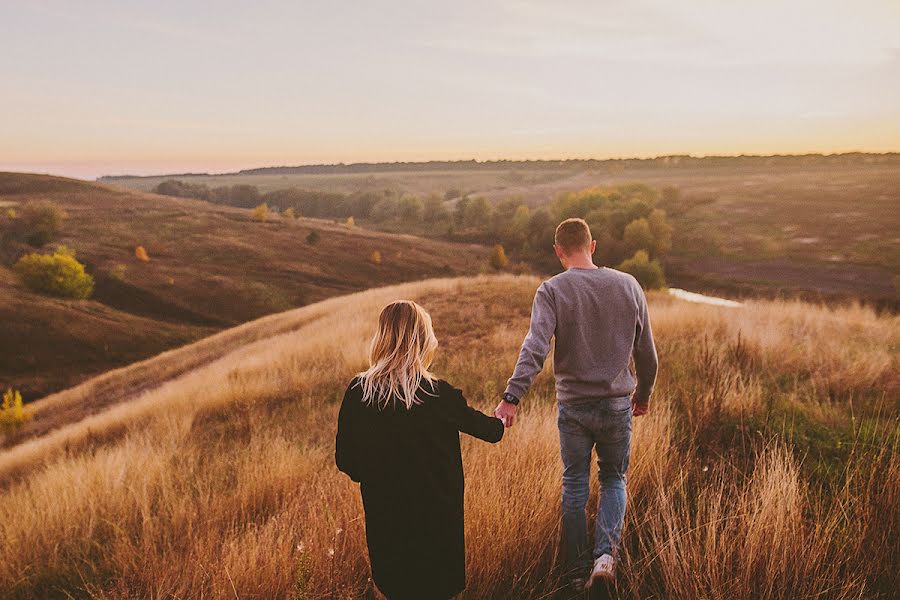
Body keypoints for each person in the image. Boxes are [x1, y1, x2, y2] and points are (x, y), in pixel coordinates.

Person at [494, 217, 658, 593]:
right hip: (617, 405)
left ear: (558, 251)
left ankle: (573, 571)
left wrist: (511, 398)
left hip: (574, 408)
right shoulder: (629, 285)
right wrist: (644, 395)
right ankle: (605, 560)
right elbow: (647, 354)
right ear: (593, 245)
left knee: (574, 483)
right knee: (614, 479)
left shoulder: (552, 290)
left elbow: (535, 348)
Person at [336, 300, 504, 600]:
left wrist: (378, 474)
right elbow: (490, 432)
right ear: (423, 340)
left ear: (382, 338)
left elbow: (346, 461)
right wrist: (504, 417)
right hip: (438, 536)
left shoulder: (358, 392)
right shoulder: (438, 394)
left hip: (386, 529)